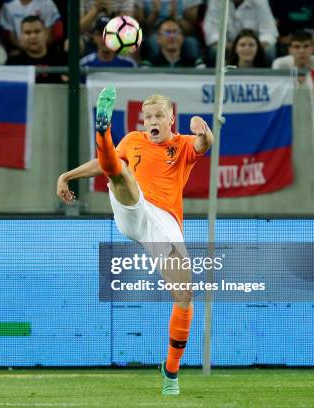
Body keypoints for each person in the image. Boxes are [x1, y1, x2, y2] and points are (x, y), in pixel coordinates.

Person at [57, 88, 213, 395]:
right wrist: (67, 175)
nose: (152, 121)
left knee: (184, 295)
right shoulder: (133, 140)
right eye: (148, 116)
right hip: (134, 208)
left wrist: (204, 130)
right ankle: (103, 131)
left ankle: (171, 371)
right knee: (120, 172)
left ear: (171, 119)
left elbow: (203, 144)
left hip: (164, 223)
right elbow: (105, 164)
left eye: (158, 116)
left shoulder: (182, 145)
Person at [203, 0, 278, 66]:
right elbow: (212, 34)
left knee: (269, 50)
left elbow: (269, 33)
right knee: (215, 50)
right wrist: (234, 47)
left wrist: (254, 46)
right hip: (227, 46)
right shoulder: (216, 2)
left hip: (255, 45)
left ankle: (267, 78)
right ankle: (214, 79)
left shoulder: (260, 2)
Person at [7, 15, 67, 83]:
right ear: (21, 37)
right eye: (28, 33)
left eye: (37, 31)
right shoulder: (13, 64)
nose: (33, 36)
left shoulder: (63, 59)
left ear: (46, 34)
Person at [141, 18, 205, 68]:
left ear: (182, 37)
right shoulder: (149, 65)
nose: (172, 36)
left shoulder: (196, 64)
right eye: (167, 33)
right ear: (158, 39)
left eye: (175, 32)